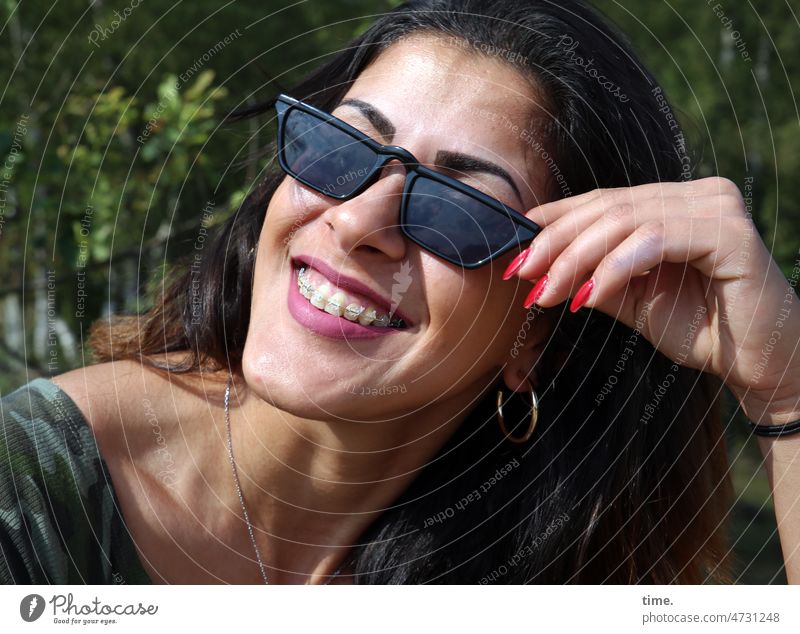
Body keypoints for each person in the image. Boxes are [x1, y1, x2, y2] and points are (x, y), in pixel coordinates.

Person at [2, 0, 799, 585]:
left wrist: (782, 381)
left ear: (539, 332)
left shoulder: (536, 572)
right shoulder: (28, 492)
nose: (359, 221)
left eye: (456, 207)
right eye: (340, 144)